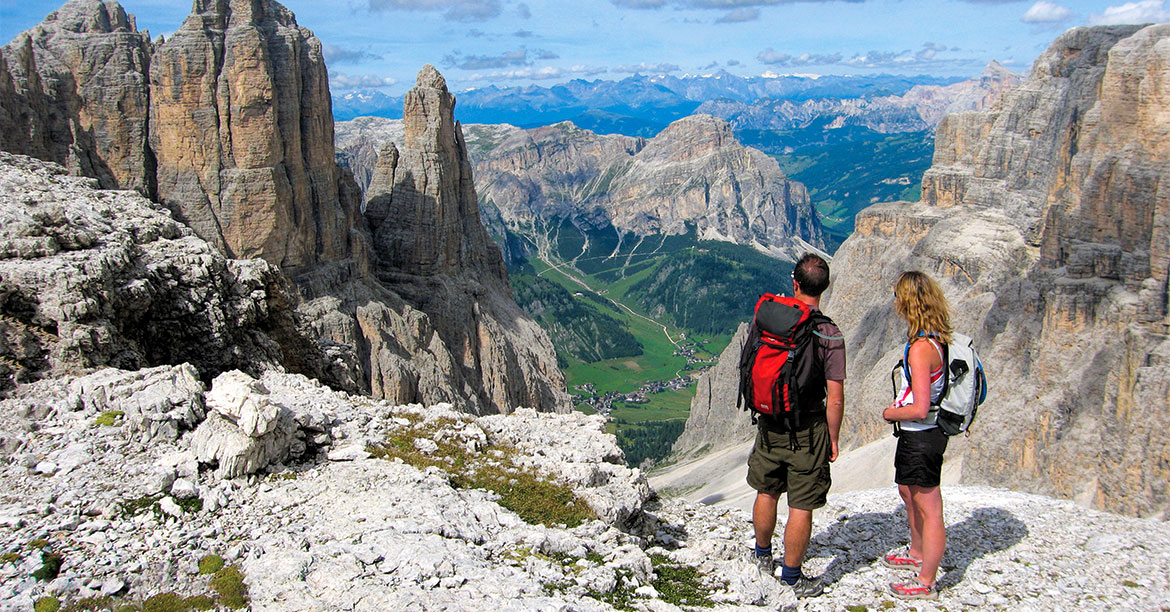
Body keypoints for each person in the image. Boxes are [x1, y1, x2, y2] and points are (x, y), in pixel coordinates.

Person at [748, 253, 845, 599]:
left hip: (770, 419)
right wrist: (833, 438)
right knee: (801, 504)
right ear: (826, 287)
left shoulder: (771, 317)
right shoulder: (828, 333)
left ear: (795, 283)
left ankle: (761, 556)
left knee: (767, 489)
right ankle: (791, 577)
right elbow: (834, 397)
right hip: (809, 426)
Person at [879, 270, 951, 601]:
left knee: (929, 506)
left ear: (908, 301)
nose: (894, 302)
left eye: (897, 296)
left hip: (923, 435)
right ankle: (917, 551)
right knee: (908, 492)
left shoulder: (922, 348)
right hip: (917, 436)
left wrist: (890, 412)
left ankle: (926, 581)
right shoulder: (932, 338)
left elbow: (921, 407)